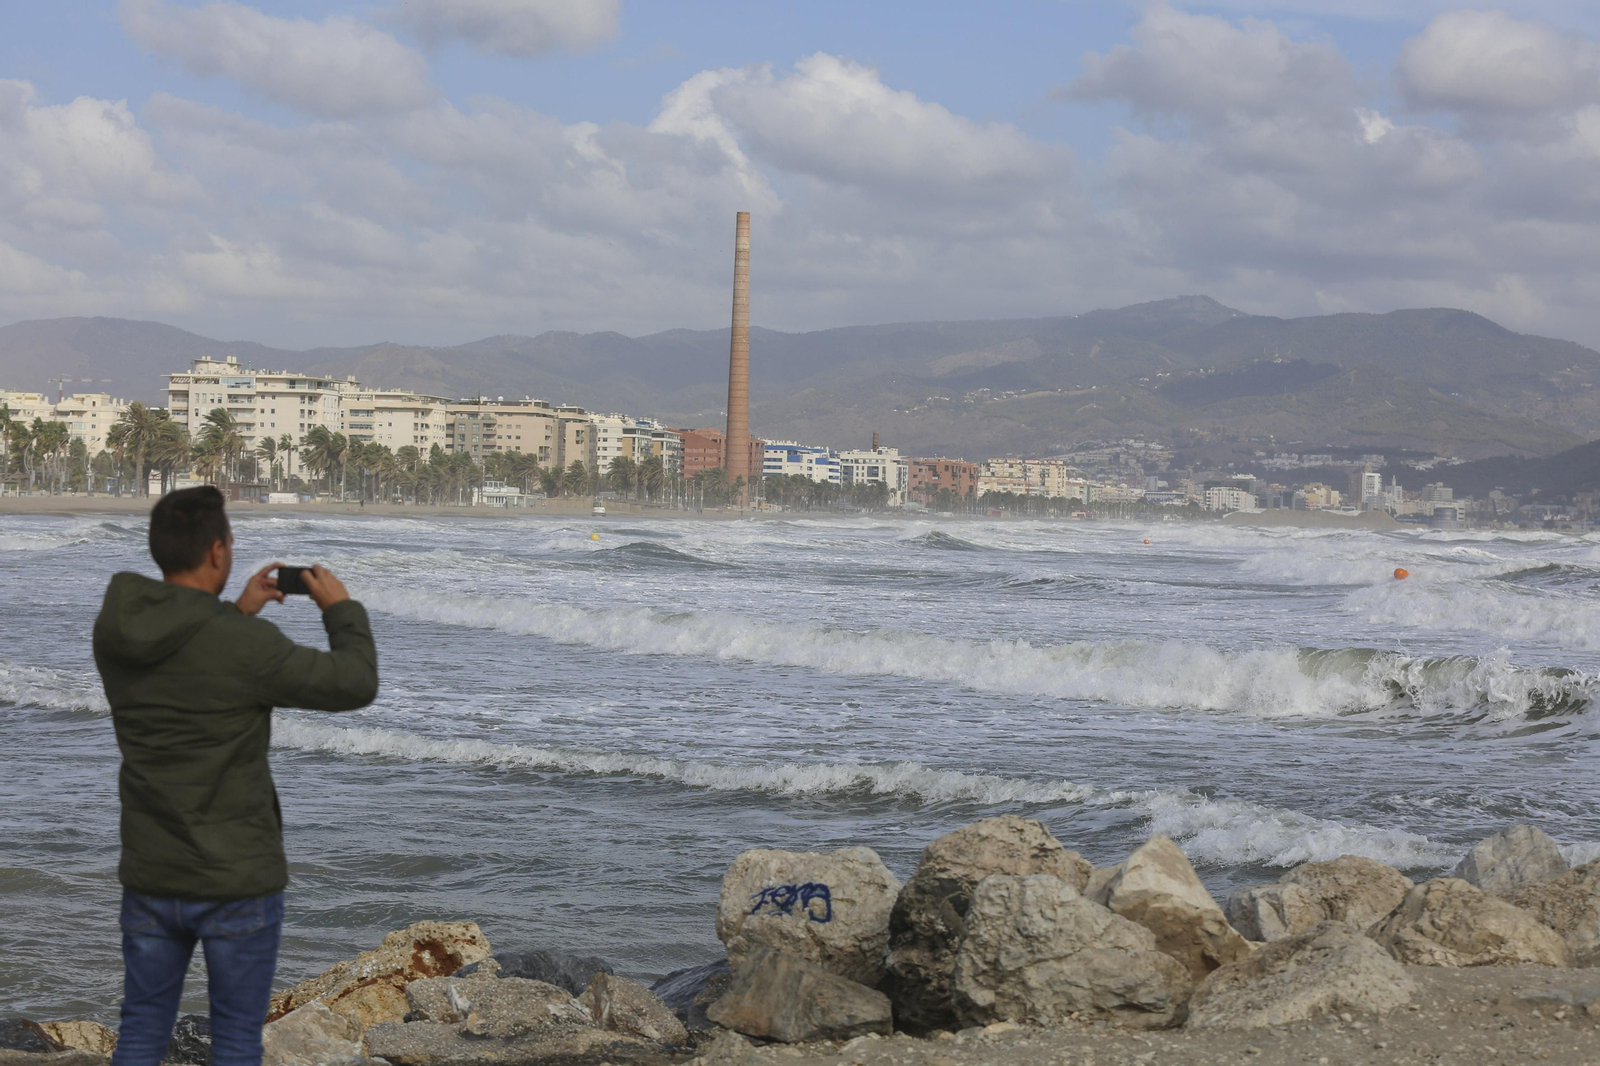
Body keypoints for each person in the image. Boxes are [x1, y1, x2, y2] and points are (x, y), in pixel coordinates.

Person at [93, 486, 379, 1066]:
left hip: (152, 871)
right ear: (219, 551)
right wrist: (340, 609)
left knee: (143, 1029)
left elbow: (192, 647)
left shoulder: (117, 630)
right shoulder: (247, 646)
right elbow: (354, 682)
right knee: (235, 1041)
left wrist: (235, 612)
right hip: (236, 878)